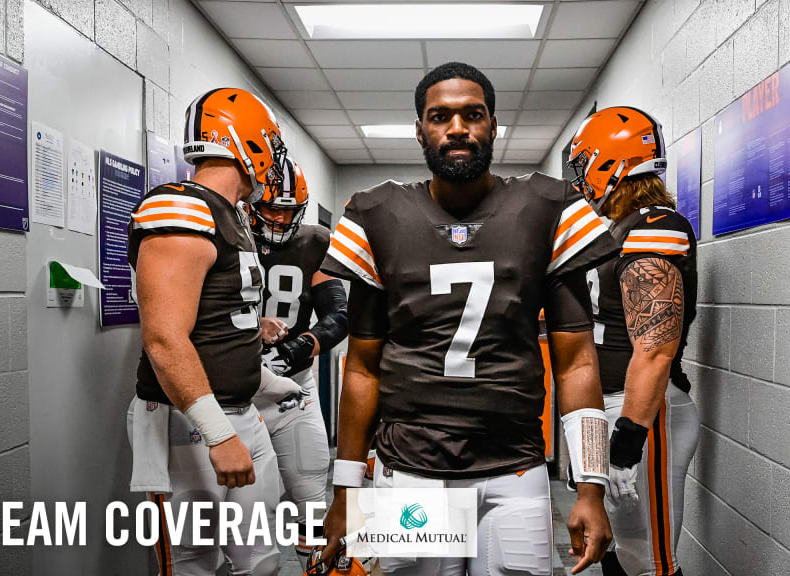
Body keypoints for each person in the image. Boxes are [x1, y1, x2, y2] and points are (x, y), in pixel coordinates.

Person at [319, 61, 617, 576]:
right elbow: (363, 367)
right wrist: (347, 490)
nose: (457, 129)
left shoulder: (547, 207)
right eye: (440, 117)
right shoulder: (376, 214)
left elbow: (576, 362)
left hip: (514, 466)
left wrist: (591, 485)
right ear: (420, 129)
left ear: (493, 124)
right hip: (411, 467)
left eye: (472, 115)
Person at [126, 87, 297, 576]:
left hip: (241, 412)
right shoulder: (180, 207)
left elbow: (218, 322)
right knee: (192, 564)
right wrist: (219, 434)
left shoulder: (231, 215)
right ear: (252, 145)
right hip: (191, 422)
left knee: (261, 559)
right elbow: (164, 339)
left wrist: (263, 379)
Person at [567, 107, 700, 576]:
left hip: (645, 411)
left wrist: (628, 440)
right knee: (618, 553)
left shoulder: (653, 228)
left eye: (585, 167)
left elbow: (656, 348)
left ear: (611, 164)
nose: (581, 182)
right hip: (615, 405)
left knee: (651, 563)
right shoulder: (621, 229)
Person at [246, 157, 348, 569]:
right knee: (243, 514)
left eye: (288, 210)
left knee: (311, 500)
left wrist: (301, 346)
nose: (278, 218)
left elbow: (338, 315)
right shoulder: (225, 233)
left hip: (293, 389)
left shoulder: (314, 242)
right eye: (270, 207)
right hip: (237, 392)